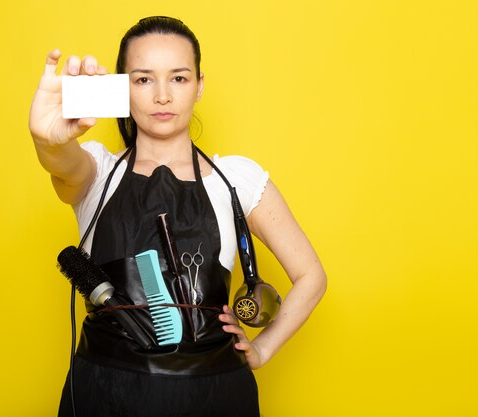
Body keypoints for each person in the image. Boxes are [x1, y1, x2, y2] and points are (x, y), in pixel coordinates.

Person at [29, 16, 326, 417]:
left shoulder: (238, 179)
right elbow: (62, 162)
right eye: (144, 79)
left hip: (216, 396)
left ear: (200, 86)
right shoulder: (96, 173)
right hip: (104, 393)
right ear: (121, 88)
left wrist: (262, 349)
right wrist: (46, 139)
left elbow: (311, 276)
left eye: (180, 79)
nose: (163, 96)